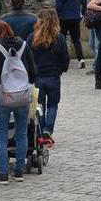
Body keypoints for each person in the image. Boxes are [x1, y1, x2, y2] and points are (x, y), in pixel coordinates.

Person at [0, 21, 36, 184]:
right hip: (21, 95)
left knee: (1, 135)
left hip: (2, 95)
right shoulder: (23, 45)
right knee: (22, 133)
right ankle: (19, 172)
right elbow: (33, 71)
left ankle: (3, 174)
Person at [31, 9, 69, 140]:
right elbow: (65, 58)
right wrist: (61, 69)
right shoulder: (60, 38)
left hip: (38, 76)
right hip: (53, 75)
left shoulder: (32, 37)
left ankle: (41, 131)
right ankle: (48, 129)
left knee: (39, 105)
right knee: (53, 104)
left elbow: (28, 58)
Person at [54, 0, 87, 68]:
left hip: (64, 18)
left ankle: (60, 59)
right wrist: (82, 15)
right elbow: (85, 4)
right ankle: (81, 59)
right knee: (76, 40)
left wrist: (59, 15)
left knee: (61, 38)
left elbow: (58, 5)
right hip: (76, 18)